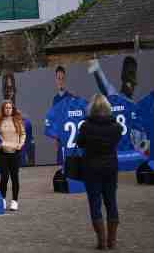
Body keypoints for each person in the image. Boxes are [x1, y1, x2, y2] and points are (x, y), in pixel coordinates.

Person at [77, 93, 123, 250]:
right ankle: (113, 241)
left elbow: (80, 143)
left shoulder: (85, 126)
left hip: (91, 169)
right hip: (111, 168)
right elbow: (116, 141)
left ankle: (102, 241)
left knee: (95, 203)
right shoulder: (116, 127)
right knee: (111, 202)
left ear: (92, 109)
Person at [0, 99, 26, 211]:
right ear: (3, 109)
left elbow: (23, 134)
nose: (8, 109)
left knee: (14, 177)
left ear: (13, 109)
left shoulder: (18, 120)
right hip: (2, 153)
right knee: (4, 177)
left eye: (10, 107)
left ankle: (14, 201)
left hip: (15, 153)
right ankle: (2, 199)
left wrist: (21, 144)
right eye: (6, 108)